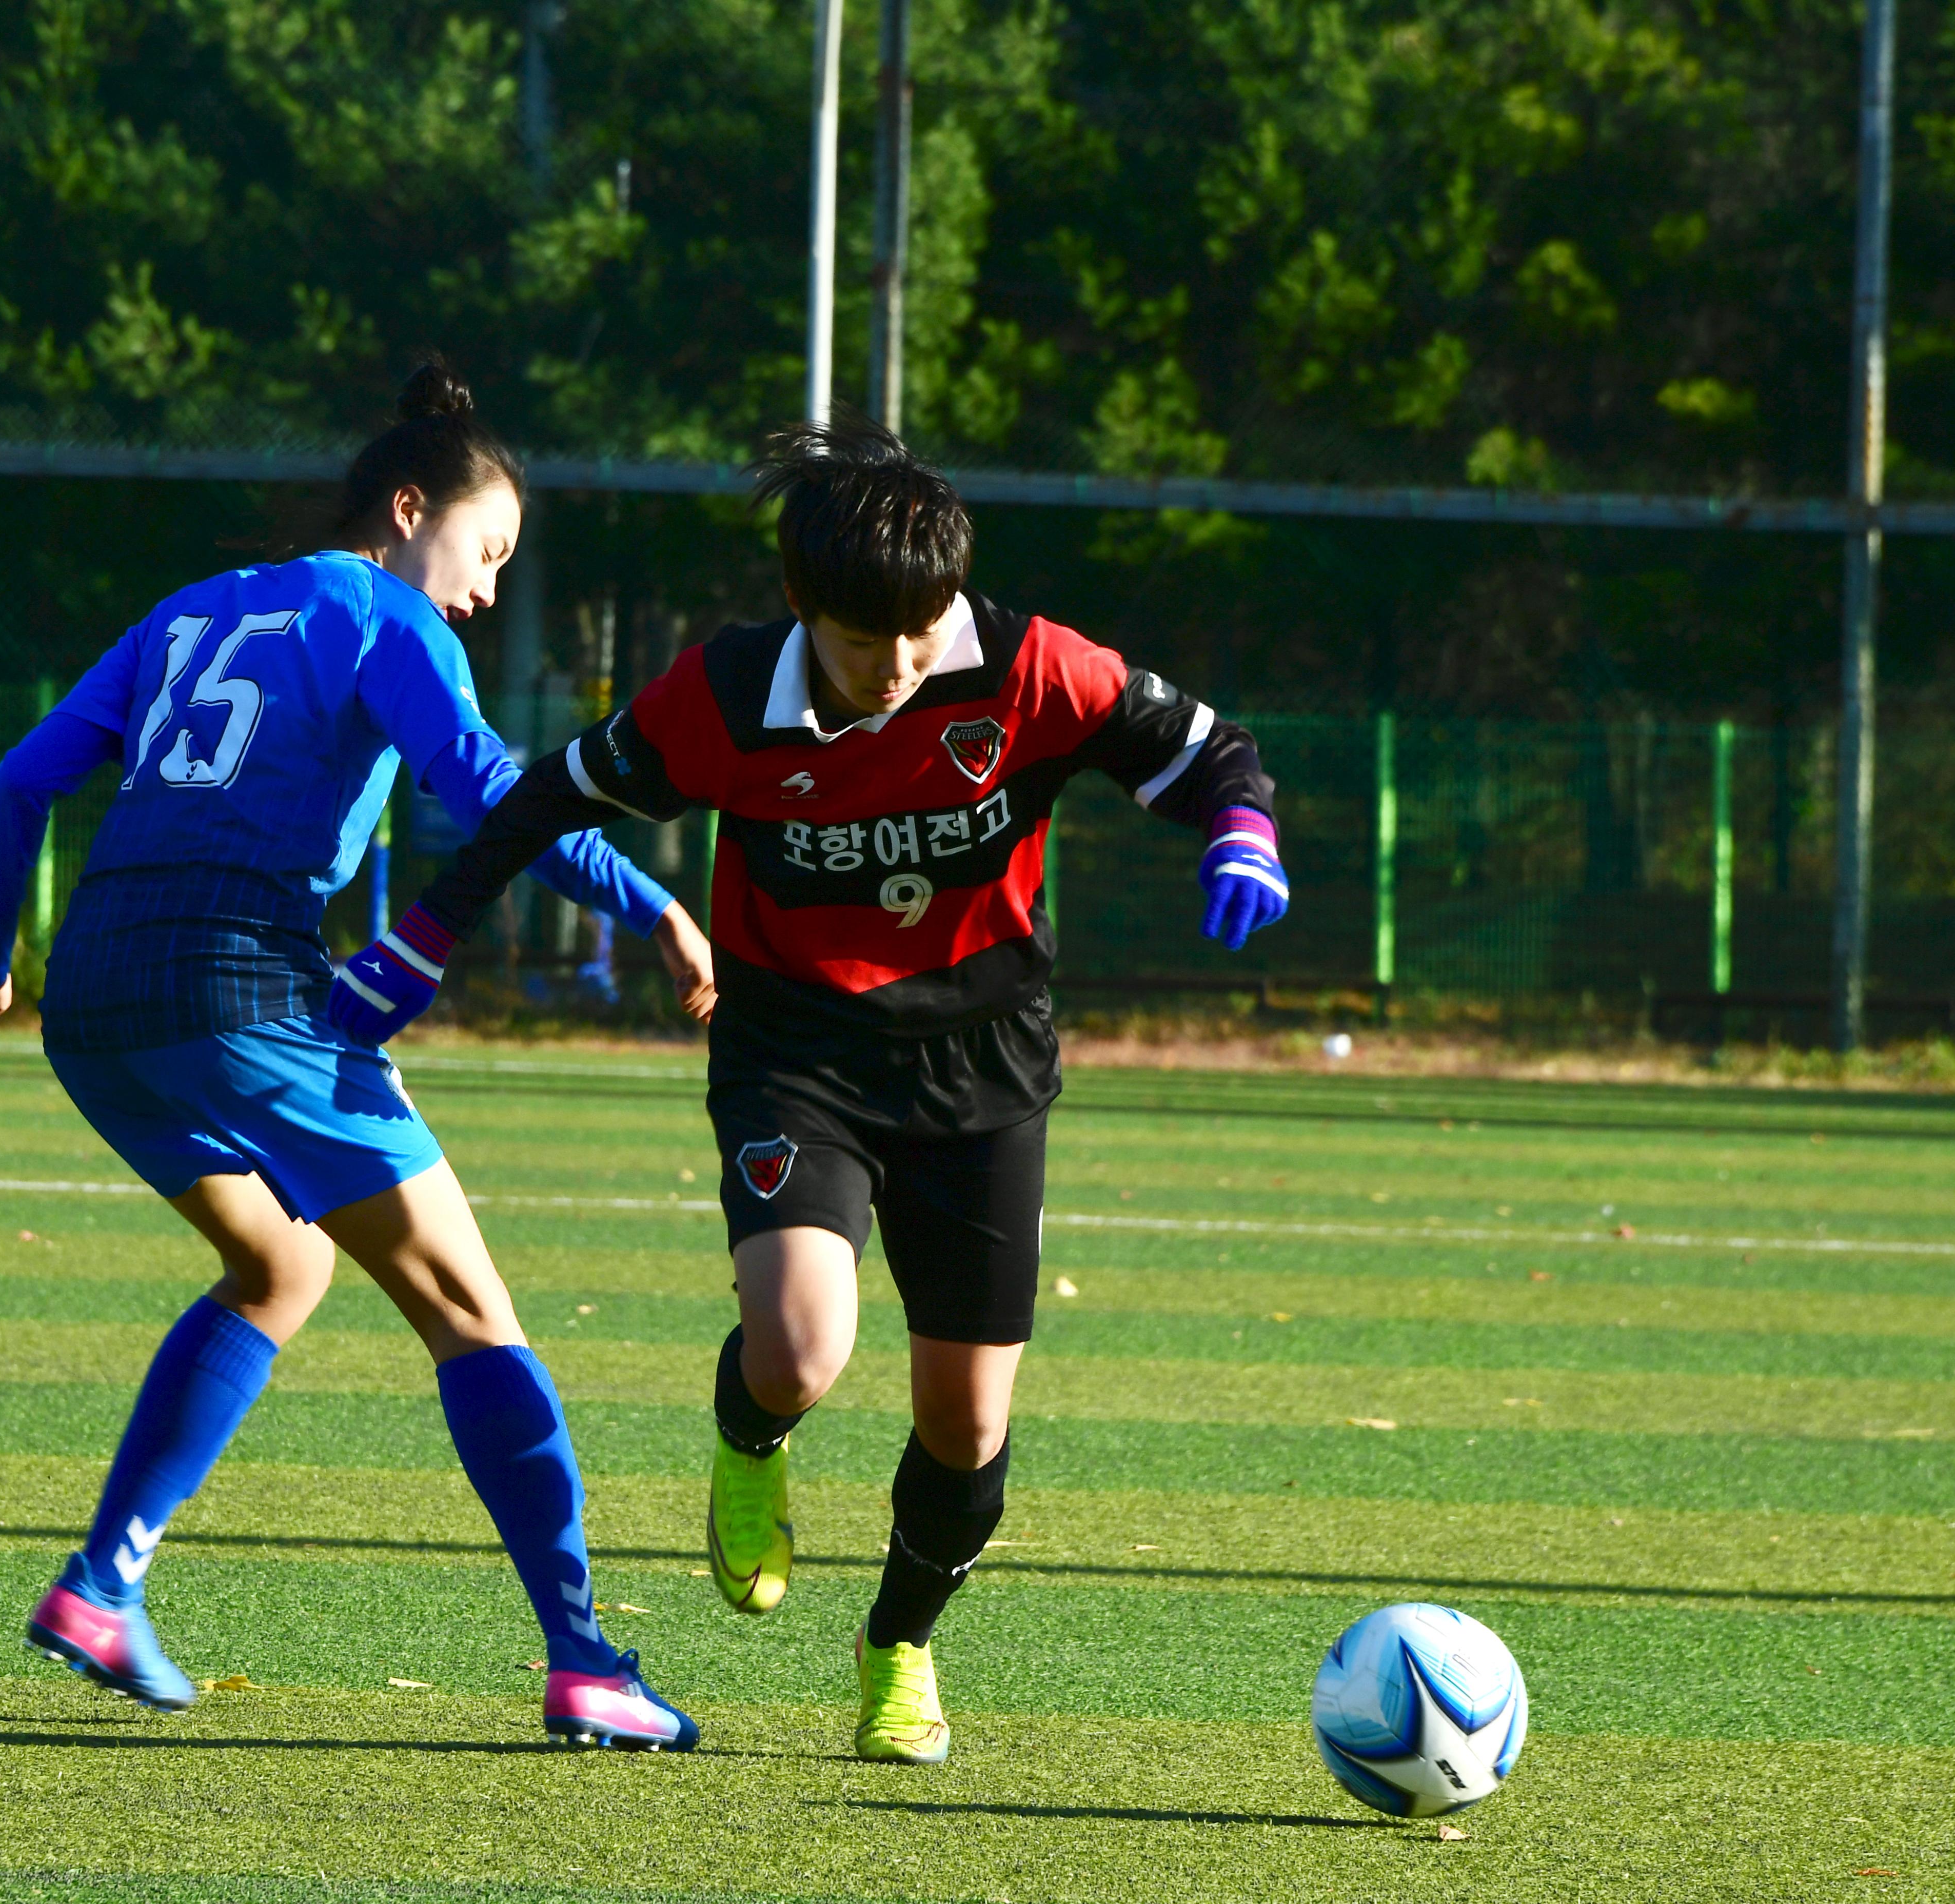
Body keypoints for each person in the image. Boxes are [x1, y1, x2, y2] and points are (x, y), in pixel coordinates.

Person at [328, 415, 1288, 1764]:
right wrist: (425, 934)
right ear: (798, 604)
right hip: (798, 1051)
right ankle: (749, 1436)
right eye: (861, 640)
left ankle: (898, 1646)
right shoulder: (721, 698)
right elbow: (547, 798)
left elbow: (1208, 750)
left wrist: (1242, 831)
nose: (896, 668)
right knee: (800, 1350)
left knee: (969, 1422)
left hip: (985, 1062)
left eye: (919, 631)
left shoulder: (1028, 668)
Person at [0, 360, 717, 1752]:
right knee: (470, 1310)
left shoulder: (190, 607)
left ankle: (106, 1586)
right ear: (409, 510)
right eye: (485, 553)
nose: (481, 592)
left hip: (95, 998)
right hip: (241, 982)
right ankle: (585, 1660)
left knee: (280, 1265)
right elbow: (488, 794)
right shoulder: (383, 614)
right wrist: (651, 901)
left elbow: (23, 778)